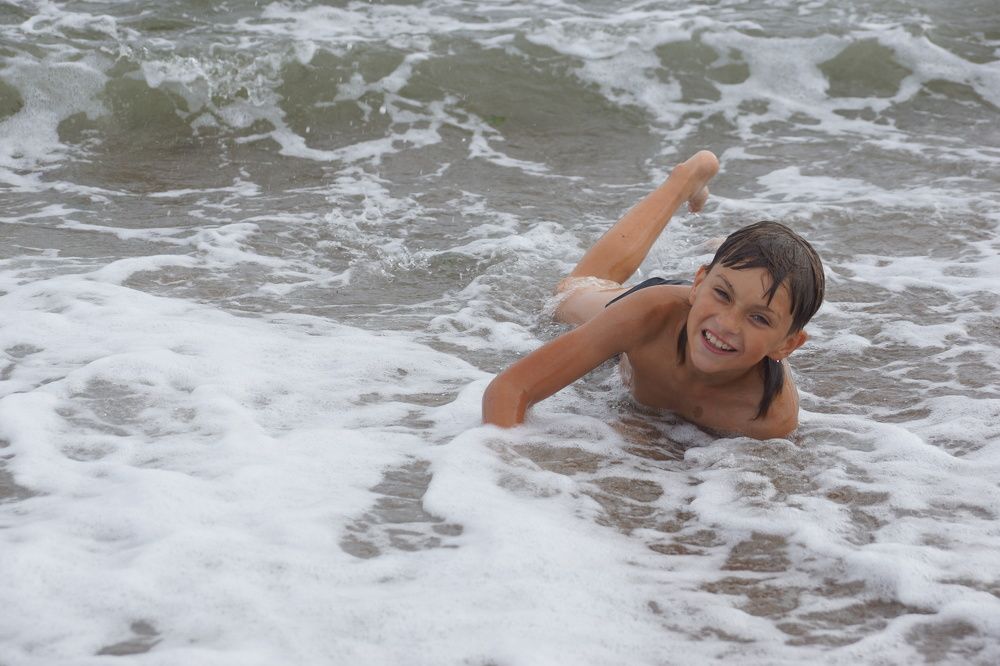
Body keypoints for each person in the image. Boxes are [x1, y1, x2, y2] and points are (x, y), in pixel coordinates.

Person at [481, 150, 825, 439]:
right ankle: (684, 181)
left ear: (787, 345)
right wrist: (502, 467)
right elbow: (511, 389)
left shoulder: (770, 419)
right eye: (723, 295)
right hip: (666, 312)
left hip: (697, 309)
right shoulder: (649, 315)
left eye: (759, 317)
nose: (727, 324)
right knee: (569, 292)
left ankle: (721, 263)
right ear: (699, 283)